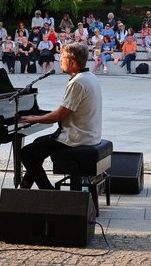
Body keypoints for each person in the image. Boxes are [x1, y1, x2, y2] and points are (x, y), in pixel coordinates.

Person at [18, 43, 101, 190]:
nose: (60, 60)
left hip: (77, 137)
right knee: (38, 143)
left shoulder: (78, 82)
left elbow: (59, 115)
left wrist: (34, 119)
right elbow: (66, 111)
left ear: (72, 62)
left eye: (62, 57)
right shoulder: (90, 76)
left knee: (26, 153)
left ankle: (48, 191)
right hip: (89, 134)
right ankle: (25, 187)